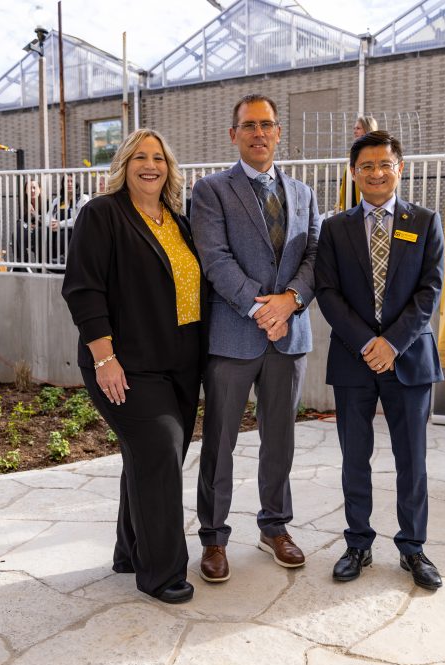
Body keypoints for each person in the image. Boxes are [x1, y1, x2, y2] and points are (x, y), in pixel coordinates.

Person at [61, 128, 204, 605]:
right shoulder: (102, 214)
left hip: (181, 364)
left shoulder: (179, 222)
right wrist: (104, 358)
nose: (150, 165)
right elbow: (83, 289)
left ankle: (130, 550)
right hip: (126, 364)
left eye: (158, 158)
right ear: (124, 165)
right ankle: (162, 573)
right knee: (160, 450)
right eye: (140, 157)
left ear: (169, 168)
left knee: (152, 458)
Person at [191, 93, 320, 583]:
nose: (259, 133)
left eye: (267, 124)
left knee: (280, 440)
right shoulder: (211, 190)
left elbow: (315, 256)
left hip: (290, 337)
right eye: (249, 125)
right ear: (234, 134)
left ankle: (275, 527)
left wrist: (291, 301)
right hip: (233, 336)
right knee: (220, 442)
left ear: (278, 133)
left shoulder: (304, 193)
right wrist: (262, 309)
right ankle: (214, 537)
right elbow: (214, 258)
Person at [314, 130, 445, 590]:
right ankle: (358, 543)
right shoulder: (335, 228)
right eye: (366, 166)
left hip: (409, 357)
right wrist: (367, 343)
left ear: (399, 169)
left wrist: (392, 343)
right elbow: (327, 291)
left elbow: (429, 290)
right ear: (354, 173)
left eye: (384, 164)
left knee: (412, 459)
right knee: (355, 457)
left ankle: (413, 547)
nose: (376, 173)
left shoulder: (424, 221)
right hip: (354, 359)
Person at [335, 115, 378, 212]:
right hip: (353, 191)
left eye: (358, 128)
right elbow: (346, 178)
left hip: (366, 194)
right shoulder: (355, 149)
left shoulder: (376, 149)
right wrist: (340, 203)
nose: (355, 131)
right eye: (354, 128)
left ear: (368, 129)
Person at [47, 175, 89, 264]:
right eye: (67, 181)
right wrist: (52, 222)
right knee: (45, 232)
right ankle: (47, 262)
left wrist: (60, 224)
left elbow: (79, 218)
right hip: (58, 230)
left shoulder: (83, 198)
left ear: (76, 183)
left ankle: (64, 261)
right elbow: (48, 216)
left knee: (63, 234)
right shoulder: (57, 201)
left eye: (71, 181)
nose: (69, 184)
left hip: (76, 231)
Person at [19, 179, 44, 264]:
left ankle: (23, 264)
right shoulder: (24, 205)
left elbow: (47, 221)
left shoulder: (46, 204)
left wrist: (33, 213)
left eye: (34, 188)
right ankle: (23, 262)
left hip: (41, 235)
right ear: (25, 191)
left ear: (39, 190)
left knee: (39, 232)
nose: (32, 191)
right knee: (18, 227)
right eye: (29, 188)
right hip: (28, 234)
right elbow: (24, 222)